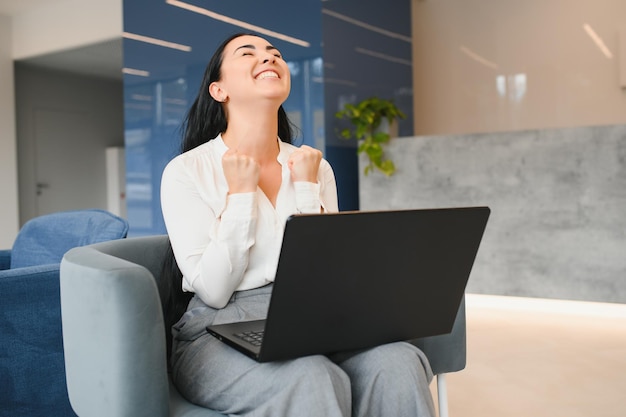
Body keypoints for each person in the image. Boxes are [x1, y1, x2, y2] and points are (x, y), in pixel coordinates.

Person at [160, 33, 436, 417]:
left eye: (275, 54)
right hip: (218, 328)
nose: (269, 58)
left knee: (399, 362)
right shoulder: (187, 171)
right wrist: (240, 196)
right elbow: (215, 289)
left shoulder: (314, 166)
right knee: (310, 375)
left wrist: (307, 190)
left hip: (313, 317)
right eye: (248, 53)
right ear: (219, 89)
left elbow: (328, 274)